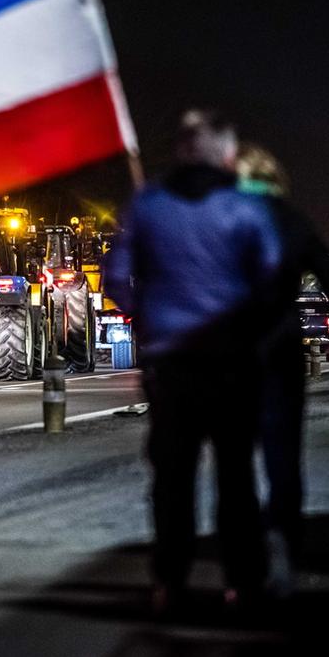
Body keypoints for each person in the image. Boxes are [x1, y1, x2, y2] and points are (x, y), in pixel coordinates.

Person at [105, 110, 281, 615]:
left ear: (180, 152)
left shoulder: (147, 206)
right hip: (231, 363)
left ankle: (170, 581)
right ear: (228, 156)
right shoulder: (247, 210)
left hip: (170, 366)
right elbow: (272, 280)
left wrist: (150, 316)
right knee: (236, 476)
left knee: (172, 479)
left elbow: (116, 279)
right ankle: (243, 582)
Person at [236, 143, 329, 599]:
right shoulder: (293, 221)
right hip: (280, 356)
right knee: (283, 461)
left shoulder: (223, 222)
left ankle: (241, 567)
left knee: (234, 463)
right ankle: (285, 547)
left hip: (230, 356)